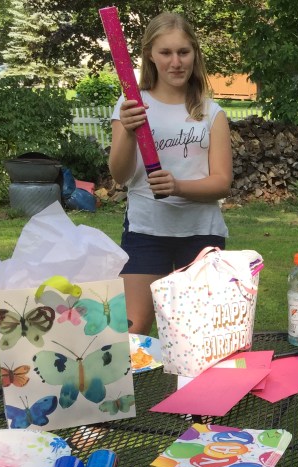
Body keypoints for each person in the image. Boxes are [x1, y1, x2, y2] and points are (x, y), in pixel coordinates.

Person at [109, 12, 233, 335]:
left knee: (202, 332)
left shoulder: (210, 112)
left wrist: (178, 186)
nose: (176, 62)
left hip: (201, 234)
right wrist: (129, 131)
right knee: (133, 330)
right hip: (146, 231)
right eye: (165, 52)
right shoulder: (132, 104)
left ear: (194, 54)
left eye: (183, 52)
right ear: (150, 55)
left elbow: (222, 182)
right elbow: (120, 174)